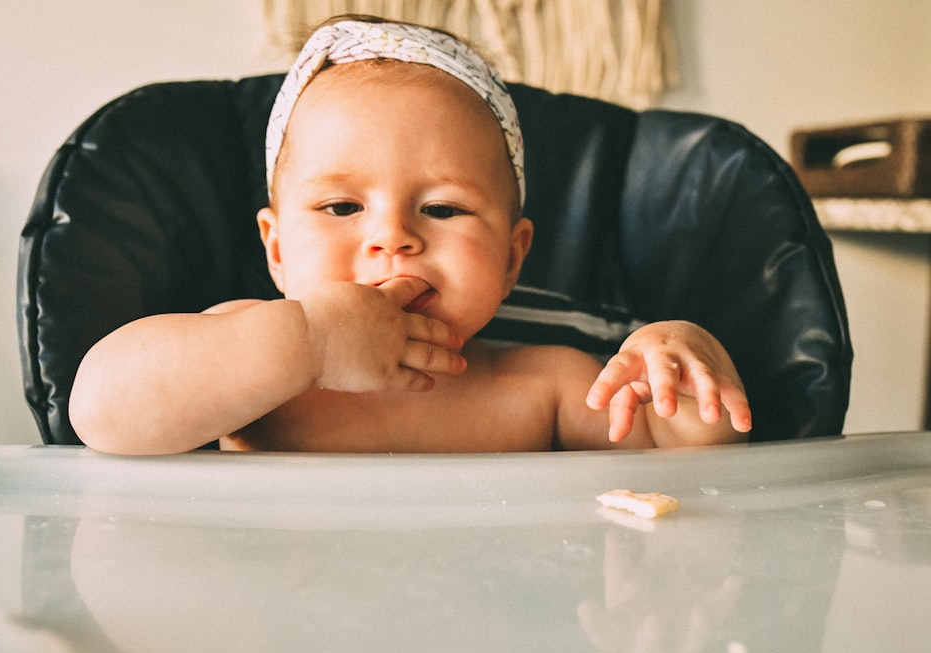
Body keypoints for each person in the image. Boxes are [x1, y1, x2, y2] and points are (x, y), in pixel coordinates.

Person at [69, 16, 753, 455]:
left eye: (445, 209)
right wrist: (307, 340)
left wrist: (680, 366)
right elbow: (101, 411)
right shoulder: (249, 352)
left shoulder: (540, 383)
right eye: (340, 207)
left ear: (513, 257)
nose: (393, 238)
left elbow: (692, 459)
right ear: (277, 250)